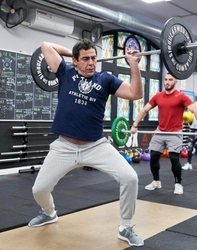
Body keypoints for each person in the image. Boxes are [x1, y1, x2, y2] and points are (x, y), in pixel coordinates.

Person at [28, 39, 144, 247]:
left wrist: (134, 64)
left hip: (95, 146)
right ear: (75, 61)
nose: (91, 63)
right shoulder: (65, 72)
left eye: (93, 58)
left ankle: (126, 226)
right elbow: (46, 46)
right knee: (39, 189)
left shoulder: (106, 79)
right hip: (64, 146)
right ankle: (49, 213)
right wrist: (72, 56)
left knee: (130, 178)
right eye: (86, 59)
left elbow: (135, 94)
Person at [131, 73, 197, 195]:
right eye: (165, 79)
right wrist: (134, 125)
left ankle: (178, 184)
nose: (167, 82)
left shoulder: (181, 97)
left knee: (174, 159)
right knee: (154, 157)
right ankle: (156, 181)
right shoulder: (158, 96)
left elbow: (196, 111)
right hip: (160, 131)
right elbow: (144, 110)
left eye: (170, 80)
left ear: (175, 81)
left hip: (175, 133)